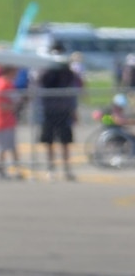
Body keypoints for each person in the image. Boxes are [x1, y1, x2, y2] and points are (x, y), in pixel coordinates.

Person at [36, 49, 86, 181]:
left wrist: (73, 111)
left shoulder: (68, 74)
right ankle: (50, 168)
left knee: (65, 142)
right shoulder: (46, 73)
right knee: (49, 141)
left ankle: (67, 169)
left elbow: (76, 88)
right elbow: (39, 84)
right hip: (49, 111)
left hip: (64, 111)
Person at [0, 67, 21, 179]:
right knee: (2, 147)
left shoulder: (9, 83)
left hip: (9, 120)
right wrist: (14, 106)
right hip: (1, 121)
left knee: (11, 146)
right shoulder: (1, 84)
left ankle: (17, 169)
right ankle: (0, 170)